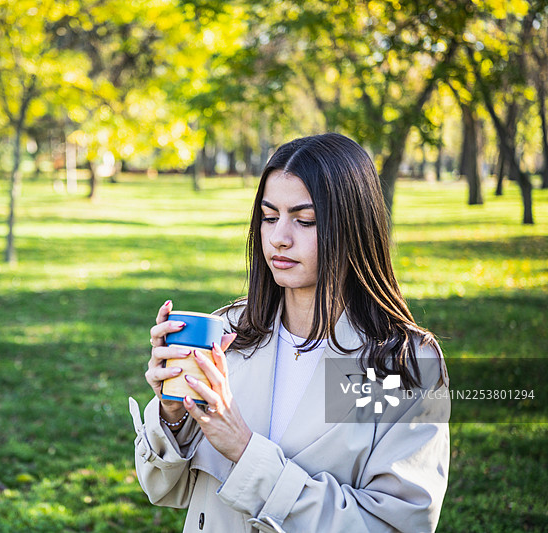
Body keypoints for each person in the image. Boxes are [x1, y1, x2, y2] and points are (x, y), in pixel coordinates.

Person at [128, 133, 450, 533]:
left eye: (305, 220)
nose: (279, 236)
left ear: (353, 227)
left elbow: (392, 524)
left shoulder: (393, 365)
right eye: (268, 216)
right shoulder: (228, 334)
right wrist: (172, 416)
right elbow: (166, 490)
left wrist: (247, 454)